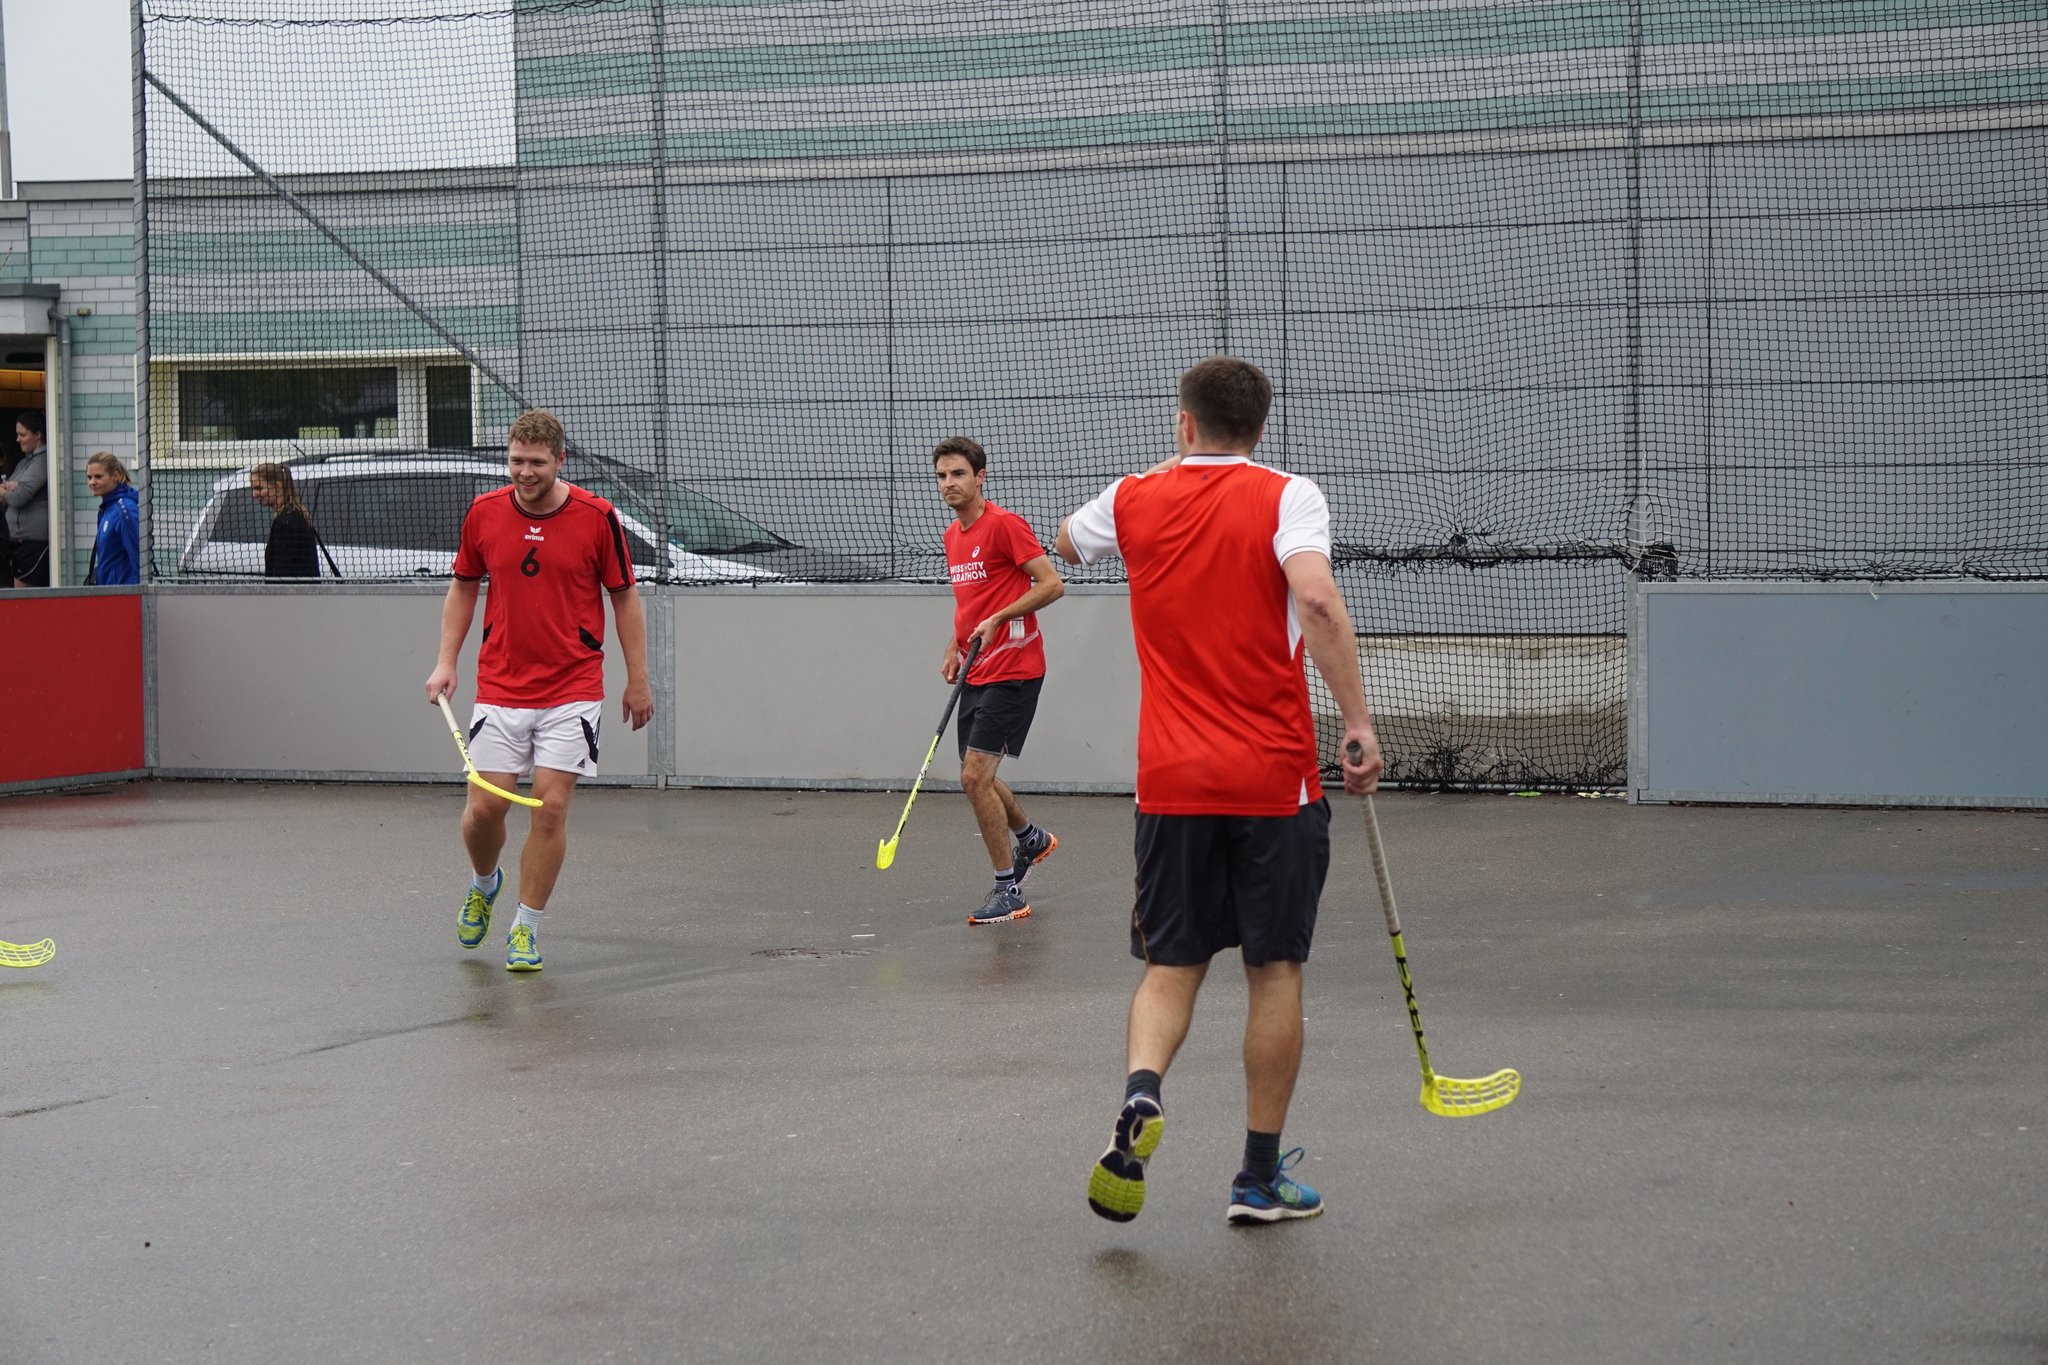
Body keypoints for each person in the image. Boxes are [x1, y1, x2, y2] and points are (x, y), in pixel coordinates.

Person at [1056, 355, 1384, 1228]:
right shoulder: (1288, 495)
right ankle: (1257, 1178)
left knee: (1171, 965)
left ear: (1184, 421)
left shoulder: (1133, 497)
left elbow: (1065, 540)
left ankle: (1142, 1091)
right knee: (1274, 970)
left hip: (1170, 782)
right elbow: (1316, 599)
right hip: (1273, 779)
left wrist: (1160, 475)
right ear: (1260, 428)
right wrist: (1357, 720)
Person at [423, 410, 653, 973]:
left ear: (559, 461)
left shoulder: (597, 517)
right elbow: (463, 587)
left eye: (536, 463)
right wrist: (446, 661)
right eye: (516, 461)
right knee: (485, 810)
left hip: (572, 687)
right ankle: (485, 883)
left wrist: (638, 679)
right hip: (501, 686)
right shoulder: (484, 512)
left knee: (550, 809)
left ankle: (526, 928)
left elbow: (624, 597)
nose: (524, 472)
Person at [933, 435, 1066, 926]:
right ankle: (1031, 838)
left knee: (974, 777)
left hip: (1015, 668)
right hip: (977, 666)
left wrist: (1000, 618)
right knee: (979, 778)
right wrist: (954, 643)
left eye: (958, 474)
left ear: (980, 477)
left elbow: (1052, 584)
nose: (949, 483)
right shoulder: (952, 536)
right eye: (942, 476)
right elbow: (971, 602)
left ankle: (1008, 889)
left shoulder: (1005, 525)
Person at [1, 411, 50, 587]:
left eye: (22, 435)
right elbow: (7, 487)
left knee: (22, 595)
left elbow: (19, 497)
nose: (17, 440)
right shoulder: (24, 463)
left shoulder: (43, 461)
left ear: (38, 435)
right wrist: (7, 487)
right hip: (18, 542)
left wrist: (4, 490)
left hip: (33, 543)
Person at [249, 463, 319, 578]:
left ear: (277, 487)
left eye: (259, 488)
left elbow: (281, 573)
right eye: (253, 489)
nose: (254, 494)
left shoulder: (286, 521)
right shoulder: (295, 514)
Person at [85, 453, 141, 586]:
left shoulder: (124, 509)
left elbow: (139, 557)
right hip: (110, 591)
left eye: (98, 476)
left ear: (115, 476)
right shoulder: (108, 508)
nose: (92, 482)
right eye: (89, 477)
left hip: (124, 592)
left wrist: (135, 592)